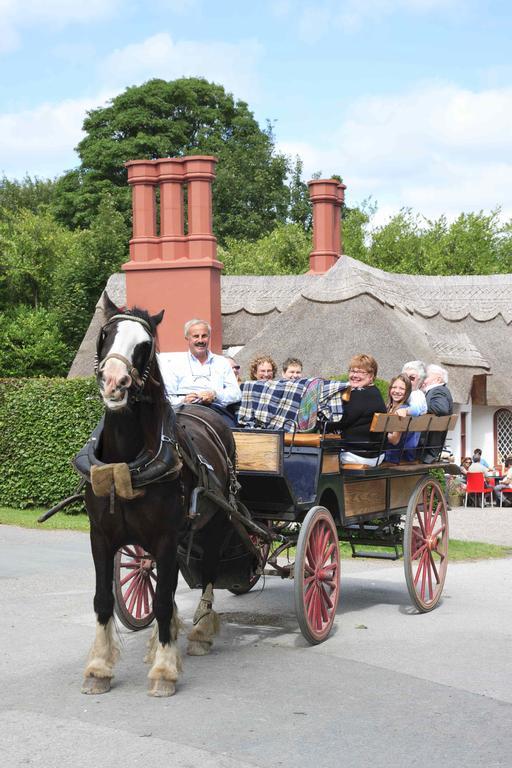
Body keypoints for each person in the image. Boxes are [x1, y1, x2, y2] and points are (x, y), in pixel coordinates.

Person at [158, 319, 241, 410]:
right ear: (187, 338)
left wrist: (215, 395)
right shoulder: (175, 364)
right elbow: (167, 396)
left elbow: (236, 393)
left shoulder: (221, 362)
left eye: (204, 336)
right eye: (196, 336)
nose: (200, 340)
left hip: (216, 411)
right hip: (184, 411)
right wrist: (183, 400)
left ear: (209, 337)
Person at [338, 353, 387, 466]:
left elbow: (342, 420)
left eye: (360, 372)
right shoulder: (374, 392)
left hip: (361, 455)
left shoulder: (362, 395)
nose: (354, 375)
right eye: (352, 371)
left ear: (371, 376)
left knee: (316, 456)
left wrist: (320, 423)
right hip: (373, 453)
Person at [420, 364, 453, 463]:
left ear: (438, 379)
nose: (423, 381)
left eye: (426, 377)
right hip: (427, 447)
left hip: (427, 449)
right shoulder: (436, 390)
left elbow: (441, 408)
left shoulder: (438, 390)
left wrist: (419, 408)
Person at [384, 373, 419, 462]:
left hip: (393, 456)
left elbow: (395, 440)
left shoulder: (402, 411)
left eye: (402, 388)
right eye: (394, 387)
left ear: (407, 392)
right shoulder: (388, 407)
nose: (397, 391)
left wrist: (378, 434)